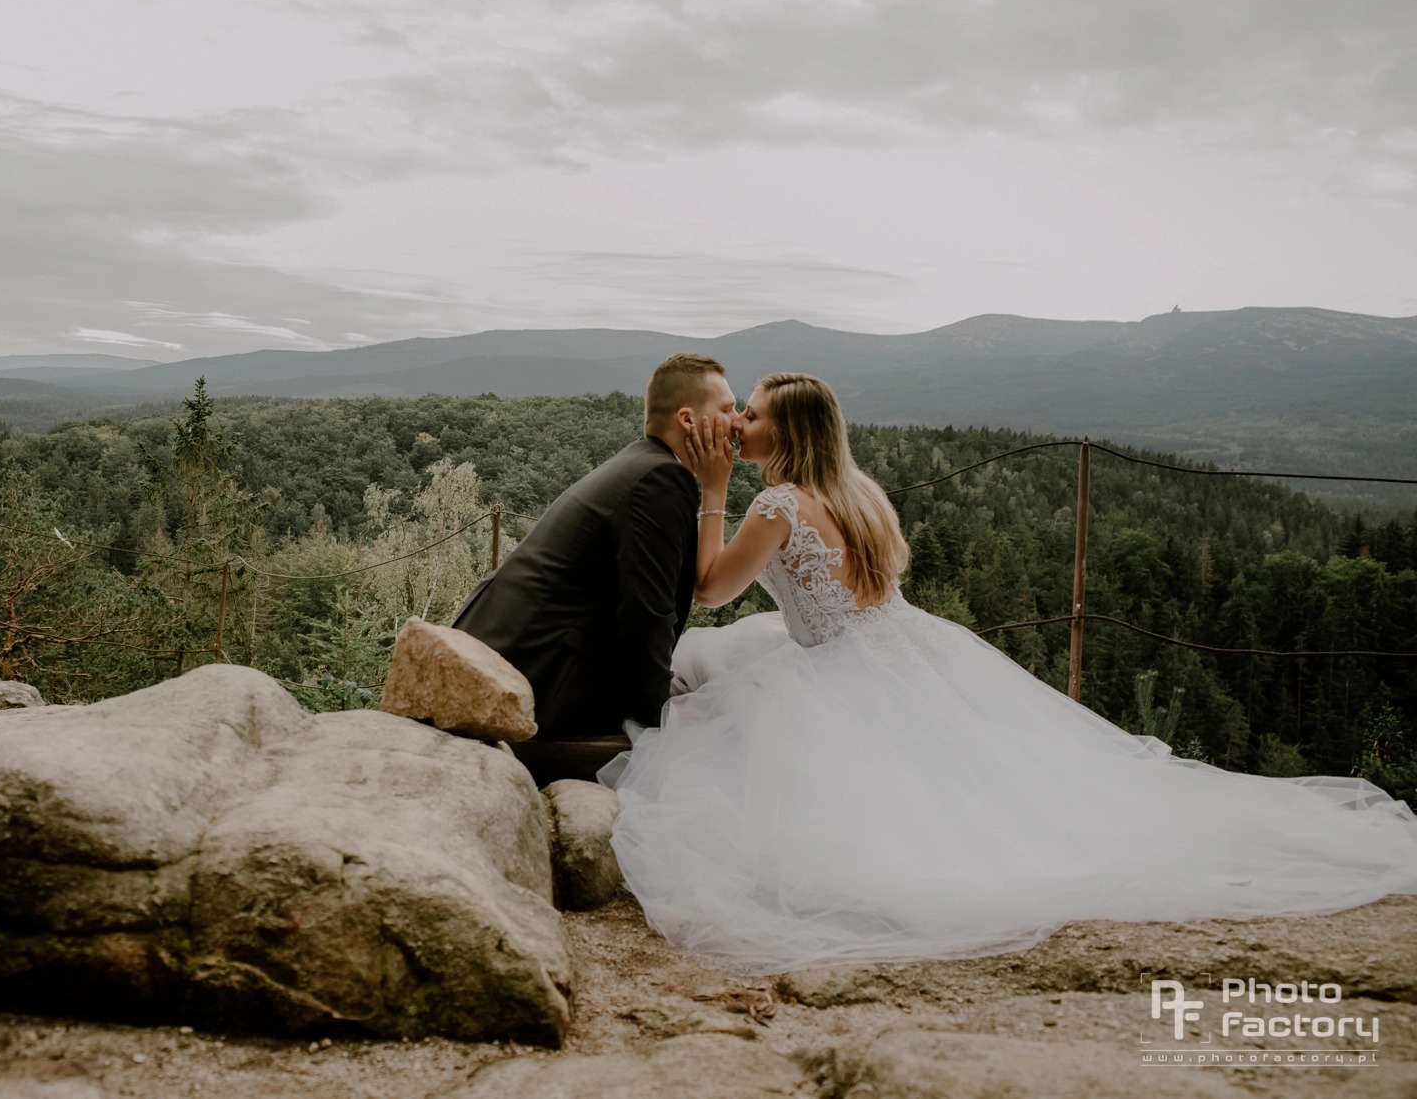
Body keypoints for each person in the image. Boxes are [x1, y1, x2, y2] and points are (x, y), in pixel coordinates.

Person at [603, 372, 1417, 972]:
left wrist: (711, 487)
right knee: (969, 777)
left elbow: (711, 589)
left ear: (788, 437)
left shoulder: (775, 508)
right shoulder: (861, 494)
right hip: (907, 646)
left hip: (837, 664)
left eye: (752, 414)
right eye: (738, 410)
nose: (739, 422)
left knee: (758, 716)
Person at [451, 353, 739, 738]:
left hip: (508, 657)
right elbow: (647, 616)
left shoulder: (641, 463)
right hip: (540, 681)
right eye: (728, 408)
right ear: (688, 419)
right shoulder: (661, 479)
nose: (737, 421)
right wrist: (660, 727)